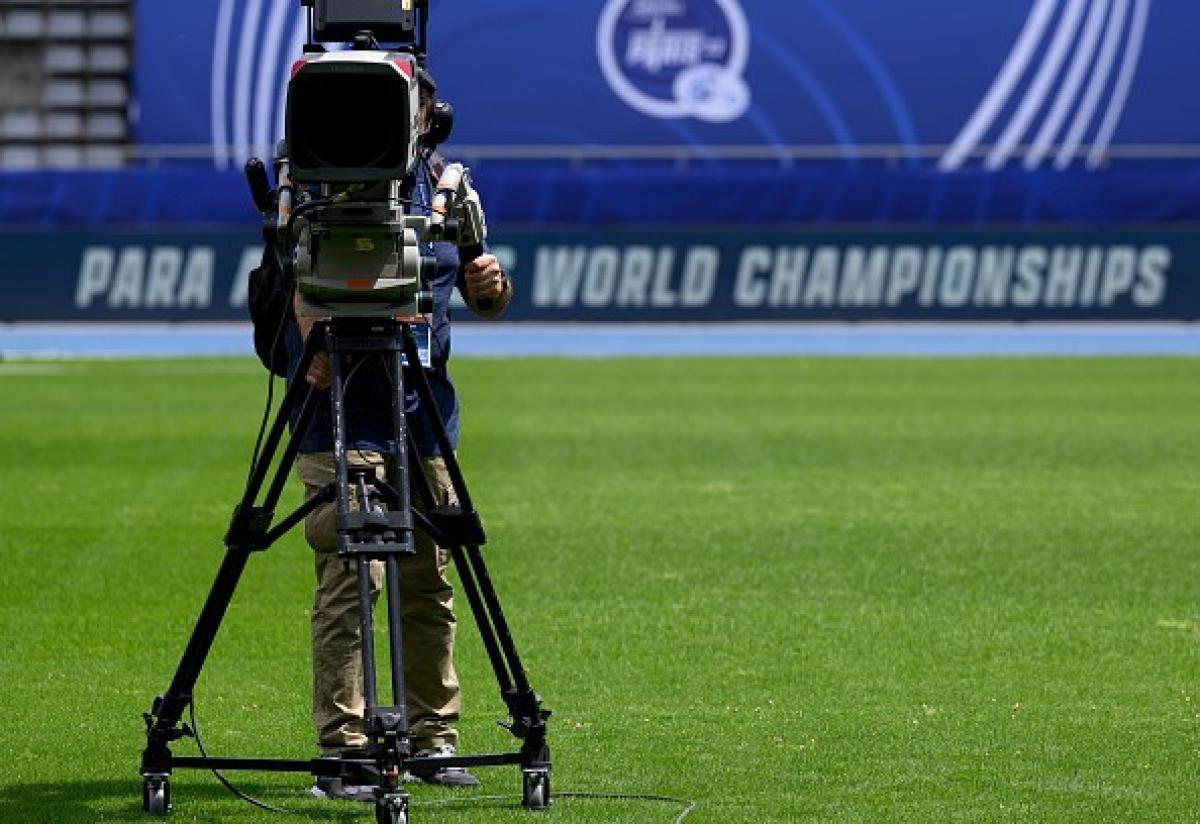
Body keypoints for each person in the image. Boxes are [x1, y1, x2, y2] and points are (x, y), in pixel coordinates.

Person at [284, 69, 512, 801]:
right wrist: (311, 341)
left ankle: (433, 740)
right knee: (352, 579)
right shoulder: (319, 190)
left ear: (427, 114)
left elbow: (486, 293)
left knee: (428, 579)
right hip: (338, 413)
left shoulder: (450, 187)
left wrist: (490, 285)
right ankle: (344, 752)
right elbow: (292, 292)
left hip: (422, 415)